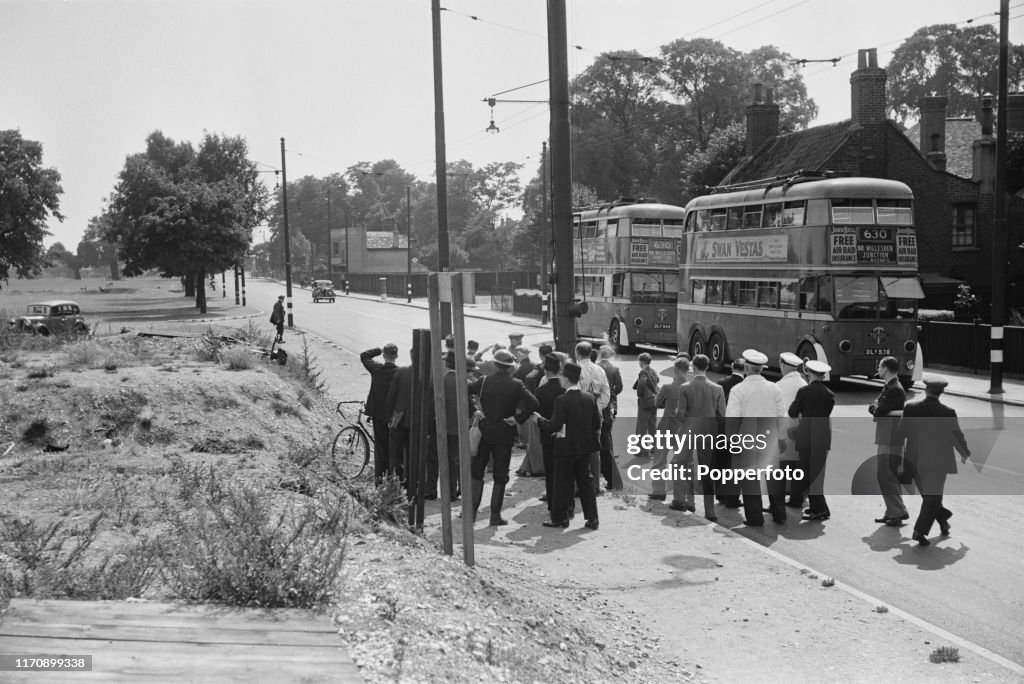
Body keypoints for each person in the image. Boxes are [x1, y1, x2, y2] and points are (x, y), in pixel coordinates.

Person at [895, 375, 971, 546]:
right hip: (937, 461)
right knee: (933, 496)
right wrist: (964, 453)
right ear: (942, 392)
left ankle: (943, 519)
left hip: (914, 458)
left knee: (931, 496)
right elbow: (956, 436)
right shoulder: (947, 412)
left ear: (925, 389)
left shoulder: (911, 408)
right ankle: (920, 531)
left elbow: (901, 433)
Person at [469, 349, 538, 526]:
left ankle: (471, 515)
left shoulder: (483, 381)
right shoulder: (516, 384)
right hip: (504, 433)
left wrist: (474, 410)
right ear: (510, 367)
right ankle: (494, 516)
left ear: (495, 364)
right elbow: (533, 403)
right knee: (500, 475)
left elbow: (465, 390)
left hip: (484, 431)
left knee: (477, 474)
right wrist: (517, 419)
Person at [725, 349, 788, 526]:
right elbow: (782, 416)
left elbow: (732, 419)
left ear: (746, 368)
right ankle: (779, 514)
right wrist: (781, 439)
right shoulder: (774, 388)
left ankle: (755, 517)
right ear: (762, 369)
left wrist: (732, 442)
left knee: (750, 481)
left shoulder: (738, 390)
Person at [538, 362, 600, 530]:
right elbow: (596, 423)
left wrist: (540, 420)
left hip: (565, 447)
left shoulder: (562, 400)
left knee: (562, 483)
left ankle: (559, 518)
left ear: (565, 378)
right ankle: (593, 518)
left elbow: (554, 426)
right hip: (584, 446)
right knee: (586, 483)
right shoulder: (589, 398)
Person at [673, 354, 726, 520]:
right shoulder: (717, 388)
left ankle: (684, 501)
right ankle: (710, 512)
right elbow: (723, 415)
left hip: (688, 430)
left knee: (681, 464)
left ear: (693, 367)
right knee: (707, 471)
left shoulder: (686, 387)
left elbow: (680, 414)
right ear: (707, 367)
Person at [787, 360, 835, 521]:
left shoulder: (804, 391)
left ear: (809, 373)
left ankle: (820, 508)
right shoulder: (830, 394)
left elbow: (792, 412)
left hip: (806, 435)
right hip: (822, 436)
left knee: (805, 471)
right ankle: (811, 504)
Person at [871, 356, 909, 526]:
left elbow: (877, 410)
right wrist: (877, 407)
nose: (878, 370)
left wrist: (876, 407)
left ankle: (898, 510)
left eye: (880, 367)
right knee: (887, 474)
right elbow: (878, 408)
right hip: (888, 436)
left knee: (885, 474)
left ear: (886, 368)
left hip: (891, 437)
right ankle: (892, 510)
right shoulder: (891, 386)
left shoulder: (894, 389)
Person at [647, 357, 690, 501]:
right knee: (682, 462)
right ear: (687, 370)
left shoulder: (667, 387)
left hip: (667, 426)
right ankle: (681, 495)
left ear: (675, 370)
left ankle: (659, 491)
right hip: (684, 427)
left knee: (659, 460)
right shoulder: (690, 387)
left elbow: (656, 403)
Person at [360, 343, 399, 481]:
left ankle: (379, 479)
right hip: (393, 417)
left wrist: (379, 349)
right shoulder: (399, 373)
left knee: (380, 447)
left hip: (378, 414)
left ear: (384, 356)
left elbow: (364, 355)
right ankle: (391, 477)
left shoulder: (377, 369)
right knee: (393, 447)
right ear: (397, 356)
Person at [575, 341, 610, 494]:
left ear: (577, 353)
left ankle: (578, 485)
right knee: (594, 449)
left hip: (577, 412)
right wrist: (597, 407)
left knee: (576, 449)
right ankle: (595, 485)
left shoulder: (575, 369)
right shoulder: (599, 370)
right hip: (595, 412)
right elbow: (606, 393)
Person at [534, 354, 566, 511]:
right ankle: (567, 503)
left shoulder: (540, 391)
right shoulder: (565, 389)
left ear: (546, 371)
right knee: (565, 470)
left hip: (547, 434)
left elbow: (536, 413)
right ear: (559, 369)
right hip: (564, 434)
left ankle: (553, 503)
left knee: (550, 470)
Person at [776, 352, 807, 508]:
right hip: (801, 431)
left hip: (785, 430)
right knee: (798, 464)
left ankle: (779, 499)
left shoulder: (779, 385)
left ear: (782, 365)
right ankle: (798, 496)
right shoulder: (804, 384)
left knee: (783, 466)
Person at [715, 358, 746, 508]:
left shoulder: (720, 383)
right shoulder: (745, 386)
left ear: (732, 367)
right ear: (745, 369)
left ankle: (720, 494)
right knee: (734, 465)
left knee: (720, 461)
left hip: (722, 428)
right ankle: (731, 496)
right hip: (739, 431)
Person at [384, 350, 414, 485]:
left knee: (395, 454)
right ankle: (412, 483)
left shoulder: (401, 372)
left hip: (399, 418)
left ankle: (394, 483)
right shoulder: (427, 374)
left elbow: (391, 396)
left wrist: (388, 418)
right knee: (413, 454)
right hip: (417, 422)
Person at [597, 345, 624, 491]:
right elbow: (619, 387)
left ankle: (604, 461)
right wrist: (612, 393)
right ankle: (610, 455)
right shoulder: (614, 369)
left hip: (599, 404)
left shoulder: (595, 367)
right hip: (611, 404)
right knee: (608, 431)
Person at [633, 353, 659, 458]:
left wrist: (639, 393)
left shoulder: (643, 373)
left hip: (645, 402)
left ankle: (642, 450)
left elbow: (642, 383)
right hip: (654, 401)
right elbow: (657, 380)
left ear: (641, 362)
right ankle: (655, 447)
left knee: (641, 427)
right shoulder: (653, 371)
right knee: (652, 426)